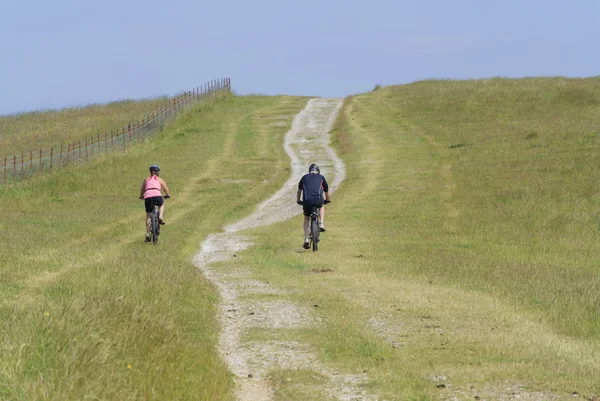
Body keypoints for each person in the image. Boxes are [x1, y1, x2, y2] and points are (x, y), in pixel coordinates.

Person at [297, 163, 331, 249]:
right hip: (318, 200)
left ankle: (306, 239)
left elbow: (299, 191)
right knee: (322, 205)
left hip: (307, 201)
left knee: (306, 218)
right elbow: (326, 192)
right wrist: (327, 200)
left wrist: (298, 200)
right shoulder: (321, 177)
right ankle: (322, 223)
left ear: (309, 172)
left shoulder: (304, 177)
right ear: (318, 172)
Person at [139, 164, 171, 242]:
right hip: (157, 195)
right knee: (162, 203)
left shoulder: (146, 179)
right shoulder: (160, 179)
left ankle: (147, 234)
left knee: (148, 216)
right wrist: (168, 195)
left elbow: (143, 189)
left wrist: (141, 196)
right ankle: (160, 216)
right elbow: (165, 188)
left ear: (151, 172)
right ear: (157, 172)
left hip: (148, 196)